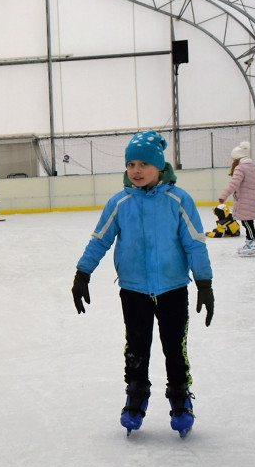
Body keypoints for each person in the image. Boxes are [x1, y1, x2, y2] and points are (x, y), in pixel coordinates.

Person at [70, 131, 214, 438]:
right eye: (131, 164)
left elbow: (196, 243)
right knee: (136, 347)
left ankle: (180, 396)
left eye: (143, 164)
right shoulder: (120, 203)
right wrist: (83, 274)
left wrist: (204, 283)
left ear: (160, 167)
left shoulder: (178, 199)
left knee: (175, 347)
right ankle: (136, 394)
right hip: (133, 290)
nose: (136, 170)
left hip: (173, 288)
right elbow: (100, 239)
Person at [219, 141, 255, 257]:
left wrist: (223, 196)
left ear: (237, 158)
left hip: (244, 200)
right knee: (247, 223)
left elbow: (234, 184)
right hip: (250, 200)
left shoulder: (240, 168)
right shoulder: (252, 168)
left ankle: (254, 245)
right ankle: (249, 243)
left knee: (247, 223)